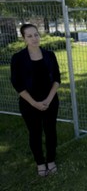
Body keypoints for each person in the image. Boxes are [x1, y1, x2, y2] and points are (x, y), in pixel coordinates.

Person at [10, 24, 61, 177]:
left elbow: (57, 79)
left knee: (51, 131)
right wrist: (34, 103)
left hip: (50, 100)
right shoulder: (18, 58)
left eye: (36, 35)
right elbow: (17, 84)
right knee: (35, 133)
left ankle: (51, 160)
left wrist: (49, 99)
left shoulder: (49, 55)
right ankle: (40, 162)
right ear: (24, 38)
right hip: (29, 104)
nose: (34, 38)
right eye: (30, 36)